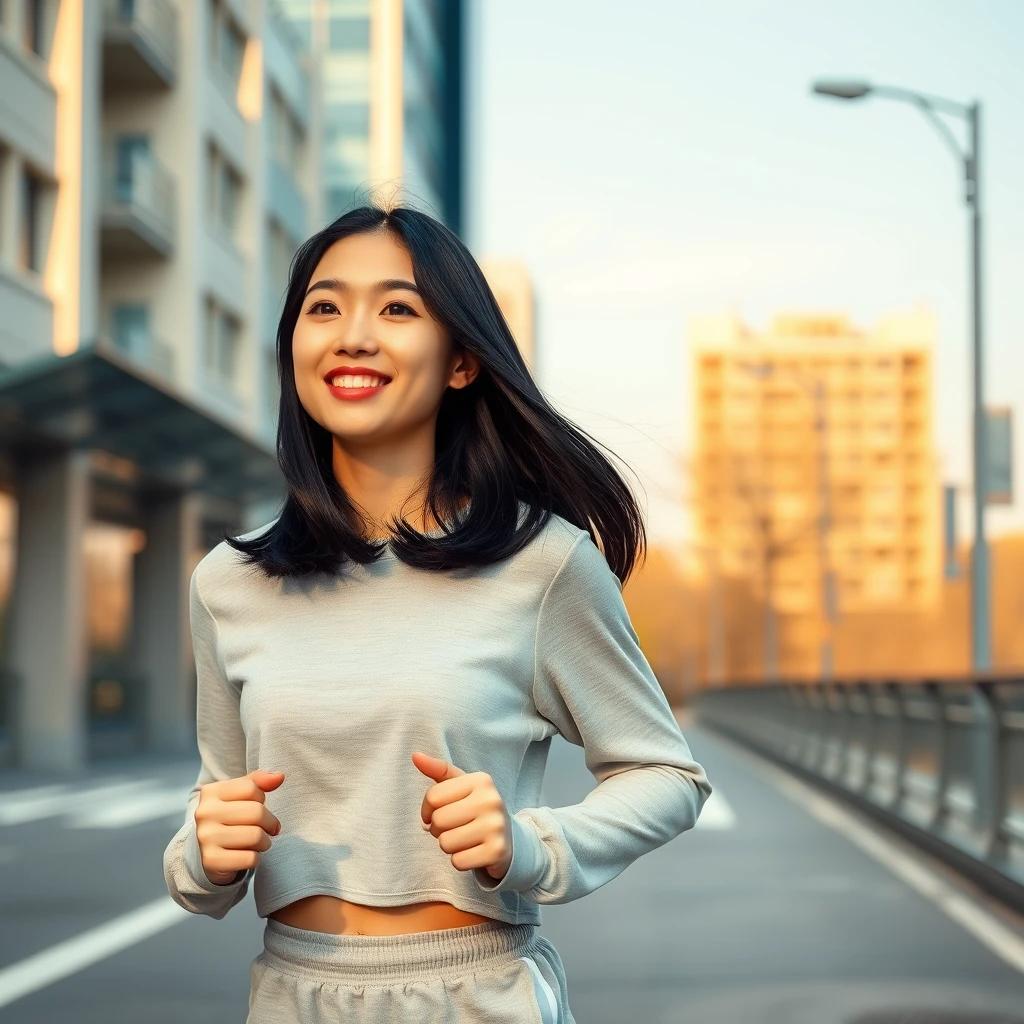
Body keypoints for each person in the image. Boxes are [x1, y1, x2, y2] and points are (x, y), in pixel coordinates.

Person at [162, 199, 713, 1023]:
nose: (352, 333)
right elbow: (219, 801)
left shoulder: (544, 563)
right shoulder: (229, 583)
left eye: (396, 307)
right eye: (324, 307)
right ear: (295, 351)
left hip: (474, 995)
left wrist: (530, 846)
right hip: (289, 995)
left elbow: (666, 773)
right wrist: (204, 855)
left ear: (461, 361)